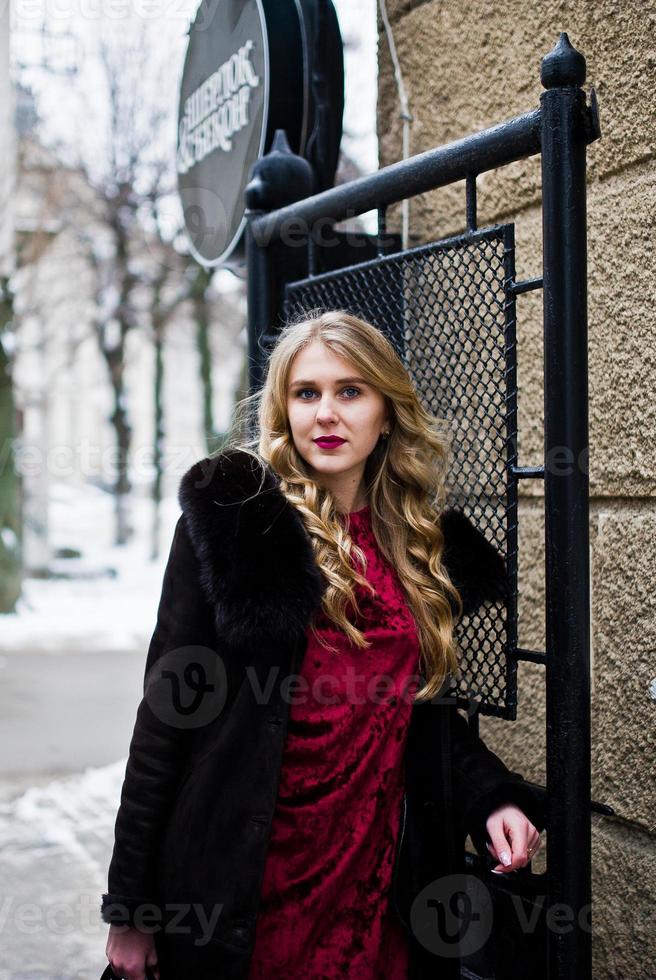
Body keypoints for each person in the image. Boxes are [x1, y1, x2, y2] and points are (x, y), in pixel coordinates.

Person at [102, 310, 546, 980]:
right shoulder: (233, 523)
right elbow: (166, 720)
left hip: (375, 879)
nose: (326, 414)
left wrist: (494, 799)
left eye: (350, 391)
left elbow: (416, 719)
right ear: (282, 408)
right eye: (305, 393)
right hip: (242, 877)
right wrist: (130, 905)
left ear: (386, 412)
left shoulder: (420, 547)